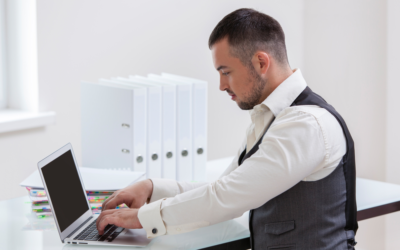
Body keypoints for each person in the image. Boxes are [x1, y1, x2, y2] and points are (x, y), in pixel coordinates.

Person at [96, 8, 358, 249]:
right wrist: (153, 188)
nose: (221, 85)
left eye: (226, 71)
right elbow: (225, 185)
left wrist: (143, 217)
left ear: (261, 63)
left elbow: (227, 197)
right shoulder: (272, 117)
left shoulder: (305, 125)